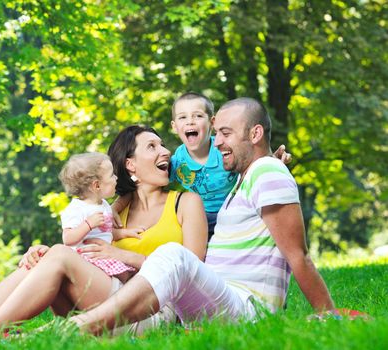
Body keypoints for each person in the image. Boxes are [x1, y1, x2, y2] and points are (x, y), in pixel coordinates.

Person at [0, 126, 208, 334]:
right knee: (43, 259)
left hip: (152, 310)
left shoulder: (185, 202)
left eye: (163, 144)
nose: (166, 151)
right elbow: (86, 250)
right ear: (130, 165)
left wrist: (120, 254)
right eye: (152, 146)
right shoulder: (113, 209)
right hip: (107, 297)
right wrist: (42, 255)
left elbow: (191, 269)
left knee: (57, 255)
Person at [70, 97, 335, 335]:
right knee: (172, 258)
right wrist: (113, 208)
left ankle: (73, 329)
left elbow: (298, 254)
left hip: (248, 310)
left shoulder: (267, 171)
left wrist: (329, 315)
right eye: (217, 133)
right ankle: (69, 330)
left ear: (255, 133)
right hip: (220, 298)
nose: (217, 141)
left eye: (226, 133)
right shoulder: (244, 179)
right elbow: (139, 185)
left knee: (174, 254)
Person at [115, 92, 290, 241]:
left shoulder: (225, 150)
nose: (190, 122)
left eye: (198, 116)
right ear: (175, 127)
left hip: (230, 217)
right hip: (198, 220)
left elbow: (249, 162)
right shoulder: (176, 163)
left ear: (212, 123)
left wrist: (269, 160)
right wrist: (114, 208)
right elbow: (140, 185)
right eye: (183, 117)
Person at [59, 152, 135, 283]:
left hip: (103, 255)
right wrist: (88, 224)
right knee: (124, 276)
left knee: (128, 274)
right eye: (111, 175)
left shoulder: (104, 204)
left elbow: (106, 232)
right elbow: (68, 239)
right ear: (97, 186)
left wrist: (124, 233)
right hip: (87, 258)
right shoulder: (77, 209)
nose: (116, 178)